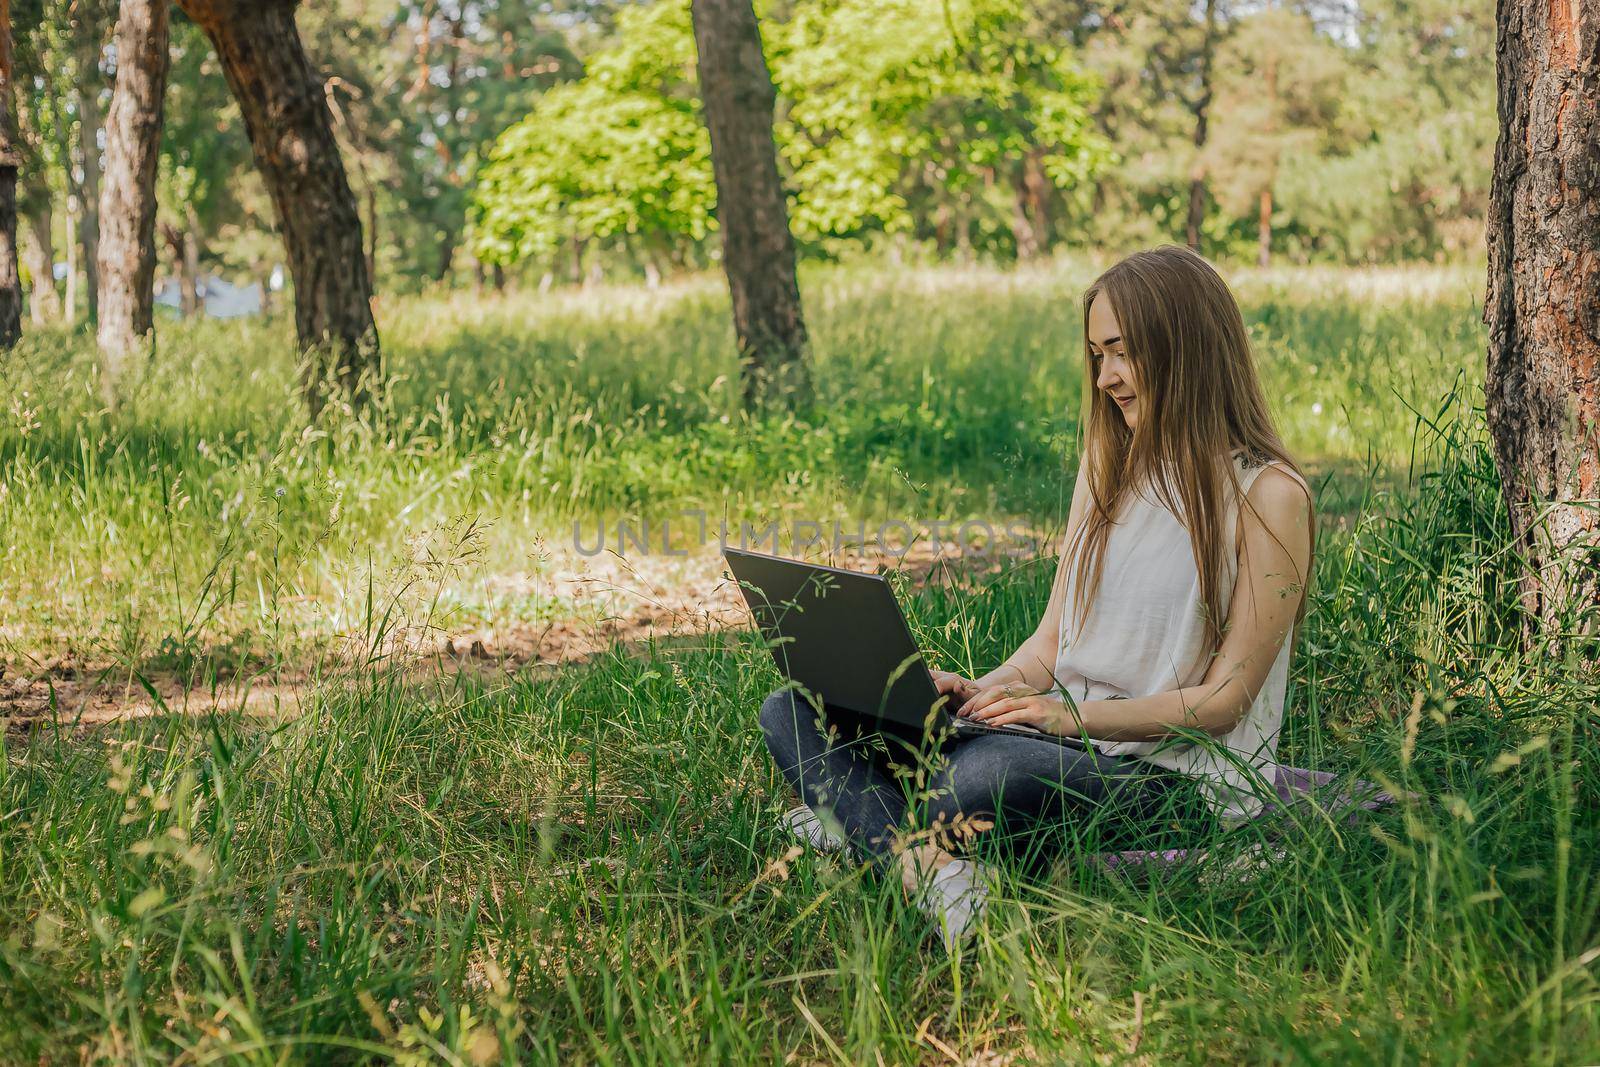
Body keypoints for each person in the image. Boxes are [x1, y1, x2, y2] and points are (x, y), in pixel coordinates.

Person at [758, 246, 1316, 952]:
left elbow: (1227, 699)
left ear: (1185, 346)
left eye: (1121, 351)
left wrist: (1068, 720)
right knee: (792, 705)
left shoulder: (1269, 495)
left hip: (1172, 780)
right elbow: (1054, 642)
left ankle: (860, 822)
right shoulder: (1109, 467)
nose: (1106, 376)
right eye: (1096, 355)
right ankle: (928, 863)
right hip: (1054, 741)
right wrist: (978, 695)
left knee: (989, 773)